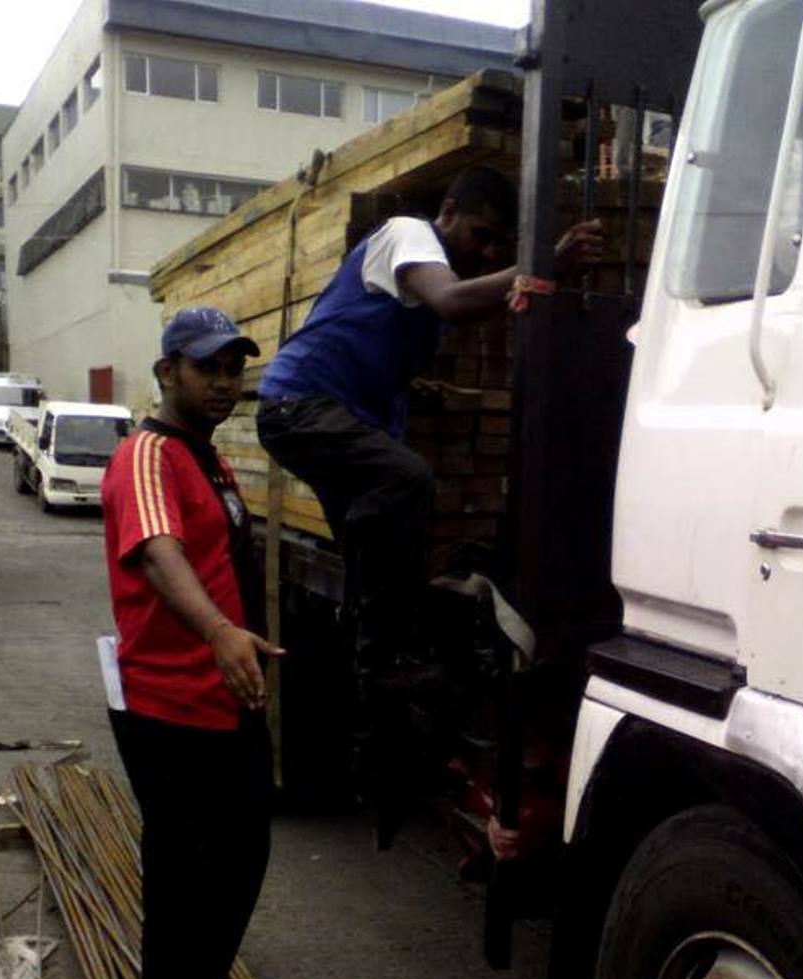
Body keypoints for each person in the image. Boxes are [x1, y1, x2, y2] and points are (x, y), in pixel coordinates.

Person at [255, 166, 602, 845]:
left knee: (383, 575)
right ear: (447, 212)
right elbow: (450, 302)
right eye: (479, 235)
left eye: (496, 246)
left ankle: (377, 699)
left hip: (331, 414)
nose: (483, 252)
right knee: (406, 480)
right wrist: (541, 267)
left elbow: (391, 336)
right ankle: (380, 664)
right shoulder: (409, 234)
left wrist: (420, 383)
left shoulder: (419, 276)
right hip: (299, 406)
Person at [102, 307, 284, 979]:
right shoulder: (148, 454)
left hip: (226, 701)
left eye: (233, 368)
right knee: (182, 886)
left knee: (238, 867)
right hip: (167, 707)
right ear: (167, 369)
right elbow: (158, 552)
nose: (223, 382)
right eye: (207, 367)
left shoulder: (207, 460)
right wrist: (216, 628)